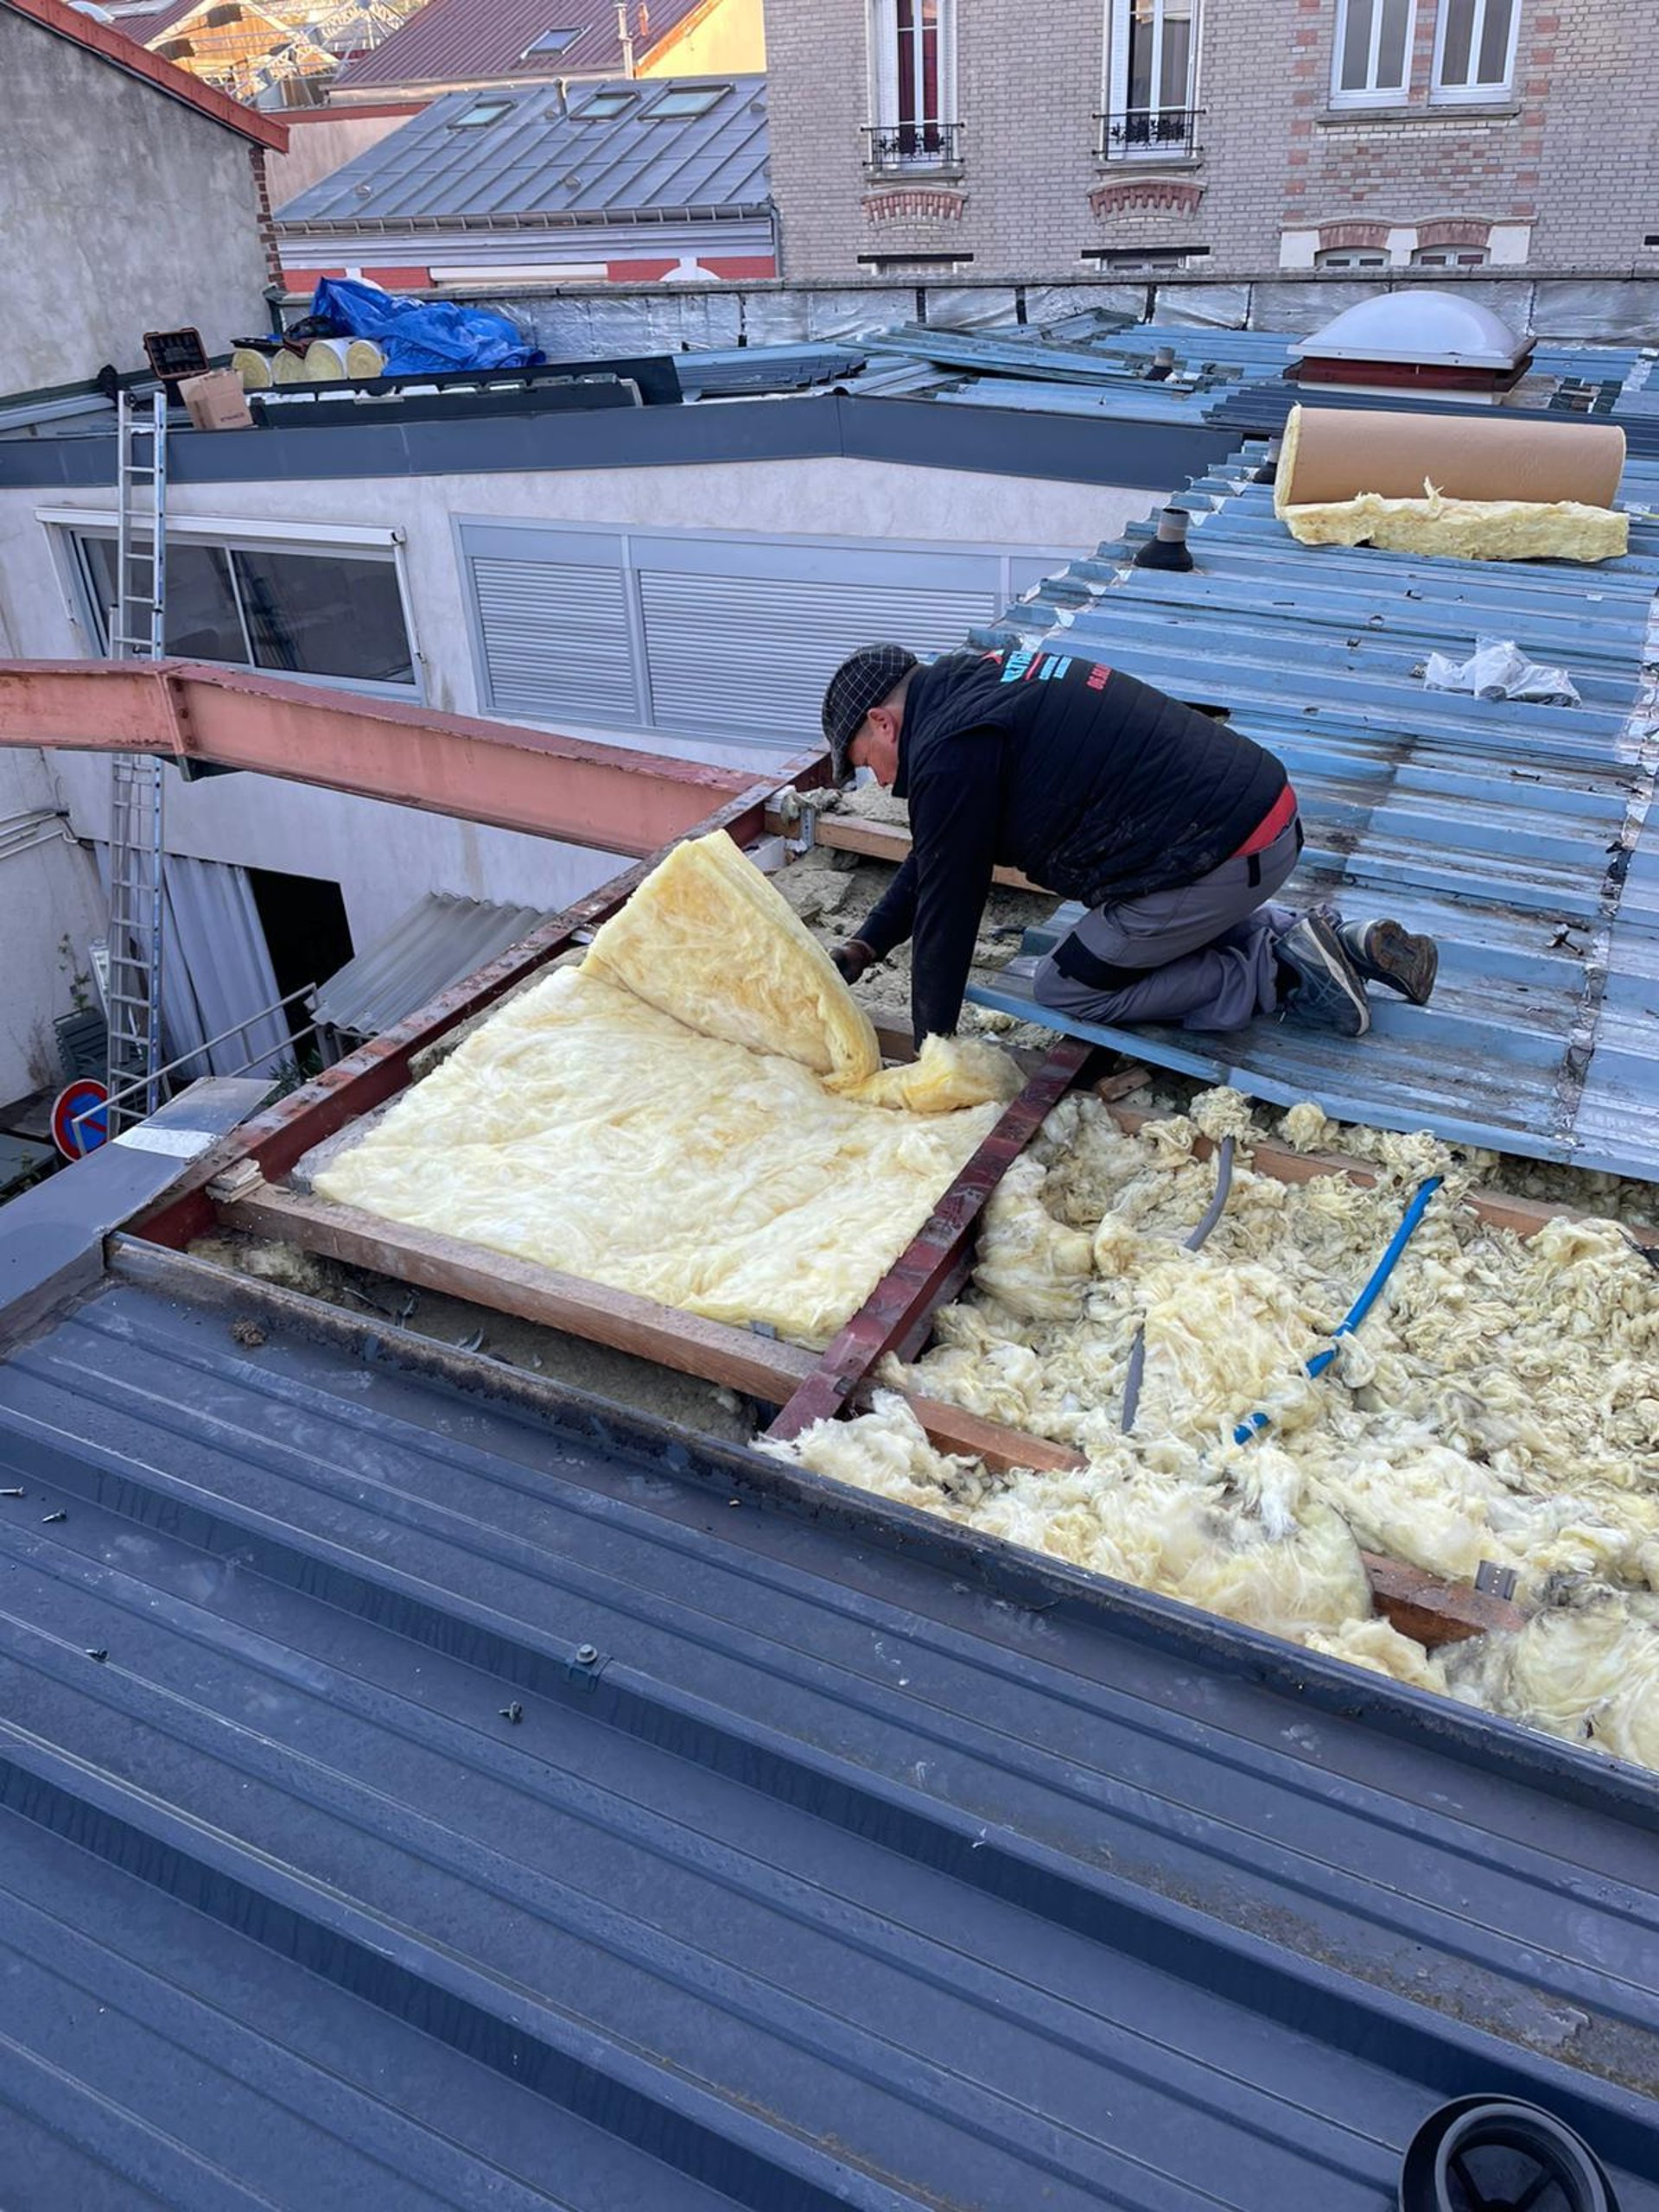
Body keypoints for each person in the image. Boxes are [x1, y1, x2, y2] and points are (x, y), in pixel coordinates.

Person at [819, 641, 1437, 1047]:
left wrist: (932, 1051)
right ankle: (1334, 940)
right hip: (1258, 820)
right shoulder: (974, 679)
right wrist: (867, 945)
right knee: (1128, 930)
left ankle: (1282, 972)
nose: (881, 781)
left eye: (867, 763)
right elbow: (940, 852)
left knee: (1066, 983)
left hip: (1218, 857)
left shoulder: (950, 752)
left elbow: (949, 911)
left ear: (882, 722)